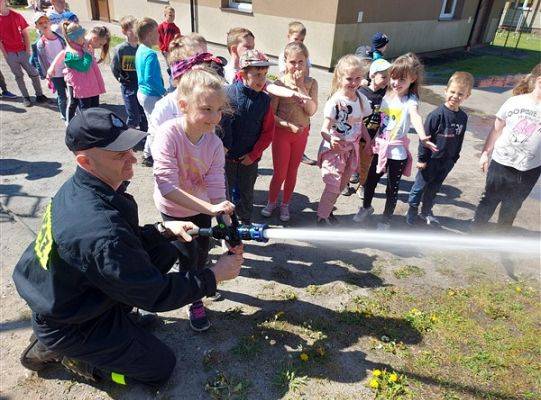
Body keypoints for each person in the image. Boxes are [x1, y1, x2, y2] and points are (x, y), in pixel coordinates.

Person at [13, 107, 243, 387]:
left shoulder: (87, 188)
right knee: (159, 368)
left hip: (76, 294)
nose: (133, 158)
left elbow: (123, 241)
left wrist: (161, 230)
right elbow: (154, 295)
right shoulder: (98, 229)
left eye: (129, 148)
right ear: (86, 161)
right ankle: (69, 356)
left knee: (166, 247)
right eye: (119, 154)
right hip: (71, 322)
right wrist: (213, 276)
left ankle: (114, 323)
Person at [152, 69, 235, 332]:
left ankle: (200, 282)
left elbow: (215, 186)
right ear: (184, 106)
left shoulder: (213, 144)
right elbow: (167, 186)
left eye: (219, 109)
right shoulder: (169, 134)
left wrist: (222, 214)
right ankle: (194, 299)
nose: (215, 117)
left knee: (202, 252)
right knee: (188, 256)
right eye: (207, 109)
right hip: (174, 210)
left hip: (201, 208)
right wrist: (210, 207)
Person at [353, 53, 437, 230]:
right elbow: (381, 122)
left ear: (413, 79)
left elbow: (415, 116)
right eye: (394, 78)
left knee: (392, 188)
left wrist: (422, 136)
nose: (396, 83)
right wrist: (371, 142)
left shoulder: (410, 100)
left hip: (397, 152)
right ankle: (366, 208)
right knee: (370, 181)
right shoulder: (386, 95)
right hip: (380, 147)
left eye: (402, 79)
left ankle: (386, 220)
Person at [472, 64, 541, 231]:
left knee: (513, 204)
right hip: (501, 162)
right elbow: (496, 129)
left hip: (529, 168)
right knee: (489, 198)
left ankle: (501, 235)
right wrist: (485, 153)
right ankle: (476, 232)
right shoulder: (515, 102)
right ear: (539, 80)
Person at [407, 71, 473, 226]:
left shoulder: (463, 117)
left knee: (434, 188)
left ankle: (426, 211)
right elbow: (425, 139)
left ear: (467, 96)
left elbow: (459, 139)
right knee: (419, 187)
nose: (455, 96)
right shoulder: (436, 115)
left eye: (460, 94)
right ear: (446, 91)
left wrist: (454, 157)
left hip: (447, 161)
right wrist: (422, 159)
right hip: (430, 161)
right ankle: (412, 210)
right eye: (452, 92)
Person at [261, 42, 317, 222]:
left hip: (301, 134)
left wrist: (301, 87)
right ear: (285, 62)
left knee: (292, 171)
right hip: (282, 134)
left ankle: (285, 204)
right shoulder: (279, 84)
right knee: (280, 172)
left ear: (306, 61)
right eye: (292, 62)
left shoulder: (311, 83)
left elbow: (312, 111)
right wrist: (287, 125)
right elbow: (271, 114)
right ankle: (271, 201)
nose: (297, 66)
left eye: (301, 61)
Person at [315, 54, 372, 225]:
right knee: (333, 185)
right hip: (334, 150)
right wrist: (331, 139)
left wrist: (368, 141)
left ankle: (327, 210)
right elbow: (324, 128)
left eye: (358, 78)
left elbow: (360, 123)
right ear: (340, 78)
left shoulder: (361, 99)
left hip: (352, 150)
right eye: (349, 78)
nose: (353, 83)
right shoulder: (336, 102)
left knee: (340, 186)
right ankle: (322, 218)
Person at [220, 50, 275, 225]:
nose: (262, 80)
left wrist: (253, 154)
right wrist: (221, 151)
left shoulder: (265, 101)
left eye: (265, 75)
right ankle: (225, 225)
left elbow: (268, 132)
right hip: (226, 157)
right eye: (257, 74)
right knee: (223, 192)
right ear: (243, 73)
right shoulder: (227, 94)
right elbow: (219, 126)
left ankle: (245, 222)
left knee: (246, 192)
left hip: (249, 159)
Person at [342, 58, 390, 196]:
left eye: (388, 77)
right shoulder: (361, 91)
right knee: (348, 161)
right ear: (373, 75)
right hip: (355, 134)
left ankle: (362, 186)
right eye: (383, 77)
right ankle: (344, 183)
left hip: (372, 137)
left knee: (366, 165)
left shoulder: (385, 94)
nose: (386, 80)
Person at [47, 21, 105, 122]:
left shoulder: (81, 46)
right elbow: (84, 67)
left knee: (95, 109)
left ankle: (93, 126)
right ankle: (71, 124)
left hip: (90, 85)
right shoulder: (71, 54)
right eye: (83, 36)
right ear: (74, 38)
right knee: (85, 111)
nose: (85, 39)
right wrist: (87, 54)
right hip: (83, 89)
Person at [277, 21, 317, 167]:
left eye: (302, 40)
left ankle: (300, 152)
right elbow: (284, 75)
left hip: (302, 92)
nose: (299, 43)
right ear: (288, 37)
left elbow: (307, 75)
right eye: (296, 39)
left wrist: (304, 86)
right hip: (289, 92)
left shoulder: (305, 57)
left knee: (304, 122)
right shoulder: (285, 55)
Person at [0, 0, 47, 107]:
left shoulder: (16, 16)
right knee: (18, 76)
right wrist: (6, 55)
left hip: (23, 52)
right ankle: (26, 97)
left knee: (34, 74)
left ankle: (39, 95)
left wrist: (27, 51)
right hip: (10, 54)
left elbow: (25, 34)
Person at [135, 17, 166, 167]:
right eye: (157, 33)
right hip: (151, 95)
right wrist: (163, 92)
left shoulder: (140, 49)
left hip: (142, 93)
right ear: (149, 35)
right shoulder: (151, 54)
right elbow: (149, 78)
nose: (159, 36)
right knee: (156, 126)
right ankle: (149, 156)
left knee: (152, 124)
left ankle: (147, 154)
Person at [111, 15, 147, 132]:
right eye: (133, 29)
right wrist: (121, 79)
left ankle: (144, 136)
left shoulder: (141, 48)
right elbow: (114, 67)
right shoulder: (120, 49)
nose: (137, 32)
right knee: (134, 116)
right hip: (129, 88)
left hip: (141, 86)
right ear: (125, 31)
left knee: (143, 113)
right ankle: (126, 137)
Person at [31, 12, 67, 120]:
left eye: (46, 21)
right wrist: (47, 76)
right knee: (62, 96)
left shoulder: (60, 38)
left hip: (67, 71)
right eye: (40, 23)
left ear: (50, 22)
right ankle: (64, 115)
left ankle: (73, 111)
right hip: (55, 74)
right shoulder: (40, 43)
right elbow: (41, 61)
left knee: (73, 93)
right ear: (37, 26)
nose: (44, 24)